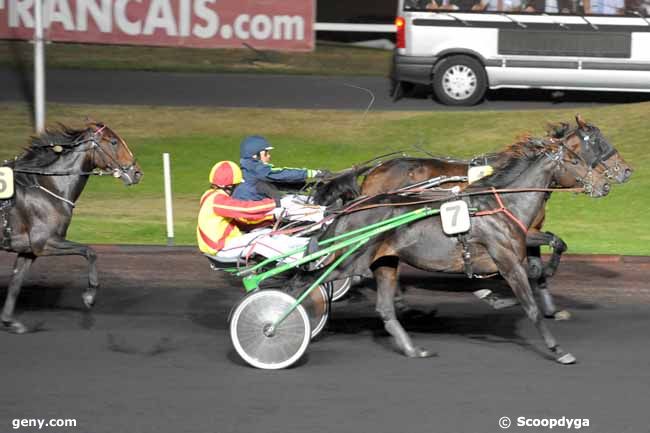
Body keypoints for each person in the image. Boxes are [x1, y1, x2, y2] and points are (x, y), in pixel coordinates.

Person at [197, 161, 310, 263]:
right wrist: (275, 203)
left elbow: (242, 222)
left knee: (266, 234)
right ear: (231, 186)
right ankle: (302, 259)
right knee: (260, 242)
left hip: (226, 243)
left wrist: (270, 218)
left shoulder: (211, 196)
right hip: (221, 247)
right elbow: (246, 209)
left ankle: (305, 244)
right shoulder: (217, 200)